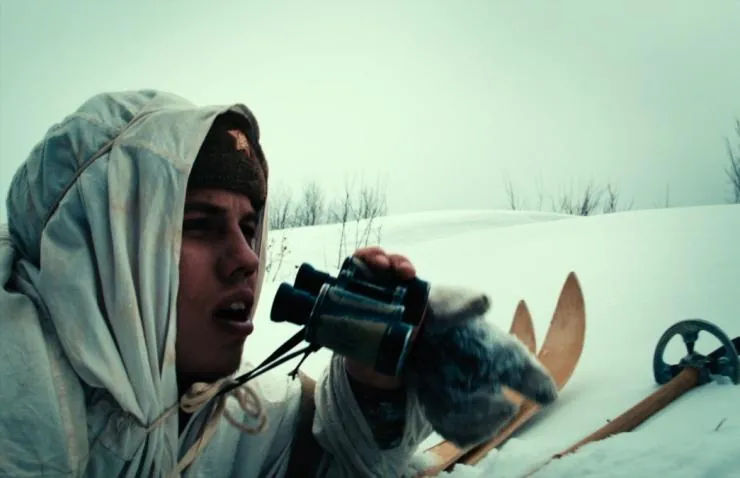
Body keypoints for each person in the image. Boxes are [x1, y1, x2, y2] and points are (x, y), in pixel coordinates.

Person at [0, 90, 557, 478]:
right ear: (97, 248)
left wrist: (376, 389)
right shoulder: (20, 409)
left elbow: (332, 465)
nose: (247, 259)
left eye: (249, 228)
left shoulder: (210, 408)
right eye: (199, 225)